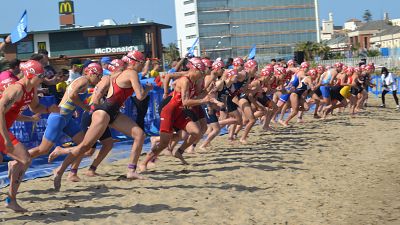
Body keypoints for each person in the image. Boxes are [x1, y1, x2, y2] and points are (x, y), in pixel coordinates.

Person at [48, 50, 152, 188]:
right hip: (103, 112)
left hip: (112, 113)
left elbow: (105, 89)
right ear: (134, 62)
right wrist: (148, 89)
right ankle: (60, 165)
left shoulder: (117, 74)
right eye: (142, 62)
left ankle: (131, 170)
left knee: (139, 135)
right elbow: (139, 96)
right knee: (85, 147)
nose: (143, 65)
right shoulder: (131, 73)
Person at [27, 63, 103, 183]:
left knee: (86, 147)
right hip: (59, 117)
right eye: (99, 76)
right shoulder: (83, 80)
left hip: (66, 118)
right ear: (91, 73)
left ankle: (72, 172)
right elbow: (72, 96)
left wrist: (73, 110)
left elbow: (69, 96)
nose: (99, 79)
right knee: (43, 150)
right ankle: (18, 159)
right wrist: (85, 107)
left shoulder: (83, 81)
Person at [0, 60, 59, 212]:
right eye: (41, 76)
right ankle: (11, 199)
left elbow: (35, 108)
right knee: (25, 159)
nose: (43, 79)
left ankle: (11, 199)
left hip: (4, 129)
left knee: (22, 160)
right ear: (30, 74)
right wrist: (6, 139)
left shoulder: (31, 90)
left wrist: (48, 109)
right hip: (1, 130)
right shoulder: (16, 89)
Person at [139, 57, 215, 172]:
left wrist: (207, 93)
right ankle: (144, 162)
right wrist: (165, 92)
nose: (203, 74)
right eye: (202, 71)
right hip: (169, 110)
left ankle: (179, 152)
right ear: (194, 69)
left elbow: (195, 97)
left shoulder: (196, 80)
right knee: (165, 143)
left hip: (180, 111)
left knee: (197, 132)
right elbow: (186, 101)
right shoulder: (185, 80)